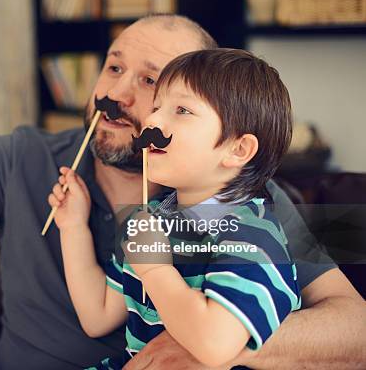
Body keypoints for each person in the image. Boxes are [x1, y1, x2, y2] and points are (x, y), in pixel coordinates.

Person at [0, 0, 365, 369]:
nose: (118, 94)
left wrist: (224, 345)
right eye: (113, 67)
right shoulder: (22, 157)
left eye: (153, 83)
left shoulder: (248, 199)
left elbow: (357, 333)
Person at [48, 48, 300, 368]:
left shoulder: (253, 236)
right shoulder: (151, 218)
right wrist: (72, 228)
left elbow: (214, 346)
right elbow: (97, 316)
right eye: (156, 107)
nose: (151, 120)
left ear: (238, 149)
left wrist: (154, 268)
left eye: (181, 109)